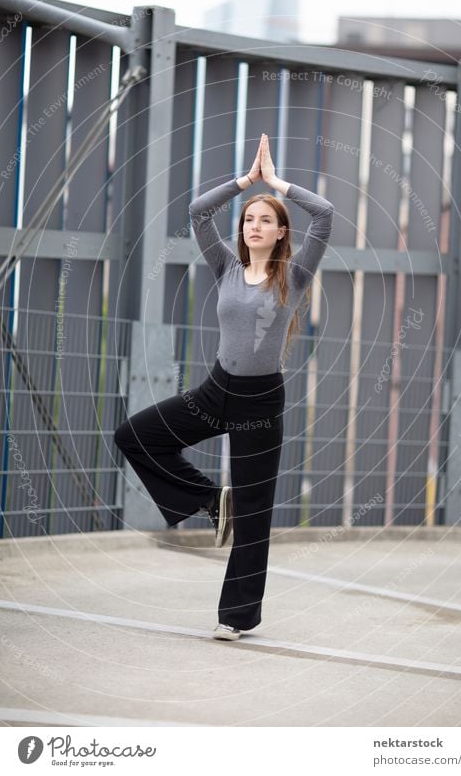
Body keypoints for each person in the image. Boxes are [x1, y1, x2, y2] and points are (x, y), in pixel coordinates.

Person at [114, 133, 334, 640]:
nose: (254, 225)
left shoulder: (294, 275)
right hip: (216, 391)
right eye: (248, 218)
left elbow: (323, 214)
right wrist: (244, 182)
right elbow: (196, 212)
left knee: (256, 516)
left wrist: (276, 183)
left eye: (265, 219)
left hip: (261, 400)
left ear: (281, 233)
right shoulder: (226, 267)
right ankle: (214, 500)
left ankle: (236, 618)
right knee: (136, 435)